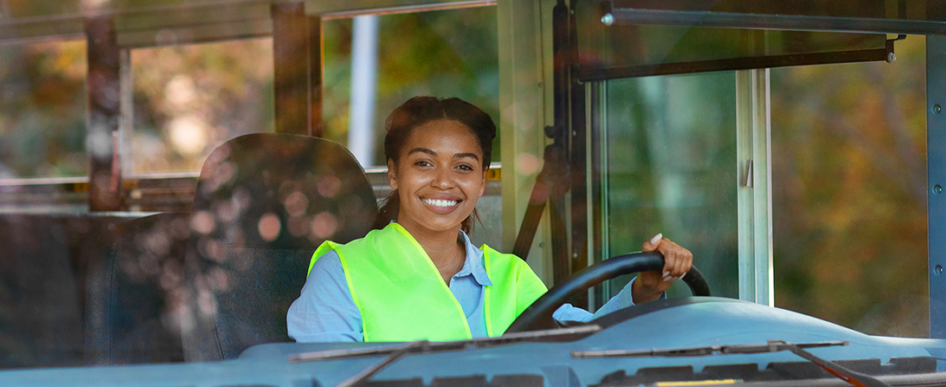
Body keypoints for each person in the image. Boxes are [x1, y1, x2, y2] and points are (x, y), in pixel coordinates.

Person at [287, 96, 693, 342]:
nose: (444, 182)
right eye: (424, 163)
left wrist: (644, 291)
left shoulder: (509, 277)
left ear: (482, 182)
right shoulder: (342, 272)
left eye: (463, 168)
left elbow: (588, 345)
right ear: (394, 173)